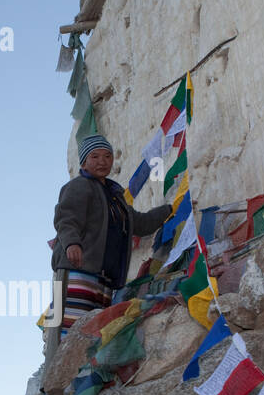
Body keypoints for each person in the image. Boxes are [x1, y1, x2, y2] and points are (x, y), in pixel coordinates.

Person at [47, 134, 172, 340]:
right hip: (77, 271)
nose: (102, 161)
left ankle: (80, 371)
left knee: (93, 335)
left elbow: (140, 223)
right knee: (70, 332)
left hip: (104, 278)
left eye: (107, 156)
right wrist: (72, 243)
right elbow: (66, 218)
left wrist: (169, 209)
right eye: (95, 157)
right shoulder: (79, 186)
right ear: (84, 162)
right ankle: (62, 371)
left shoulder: (115, 198)